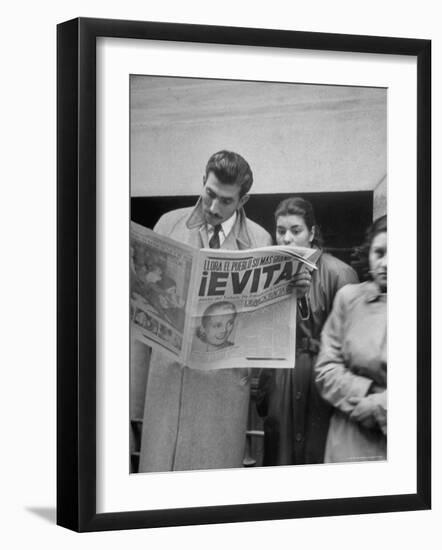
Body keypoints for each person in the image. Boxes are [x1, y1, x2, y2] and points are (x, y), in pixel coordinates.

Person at [137, 150, 273, 472]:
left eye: (226, 201)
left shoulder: (260, 240)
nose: (213, 207)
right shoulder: (168, 224)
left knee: (209, 494)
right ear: (203, 181)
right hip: (168, 385)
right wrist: (134, 400)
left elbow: (265, 325)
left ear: (243, 200)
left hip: (221, 391)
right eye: (209, 194)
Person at [257, 197, 358, 465]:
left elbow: (350, 342)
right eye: (281, 231)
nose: (287, 238)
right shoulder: (268, 273)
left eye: (296, 230)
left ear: (312, 233)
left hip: (321, 381)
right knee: (280, 458)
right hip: (281, 379)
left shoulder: (340, 273)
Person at [314, 215, 387, 463]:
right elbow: (326, 368)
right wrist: (366, 392)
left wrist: (382, 405)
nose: (386, 263)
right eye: (380, 252)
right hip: (349, 438)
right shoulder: (349, 298)